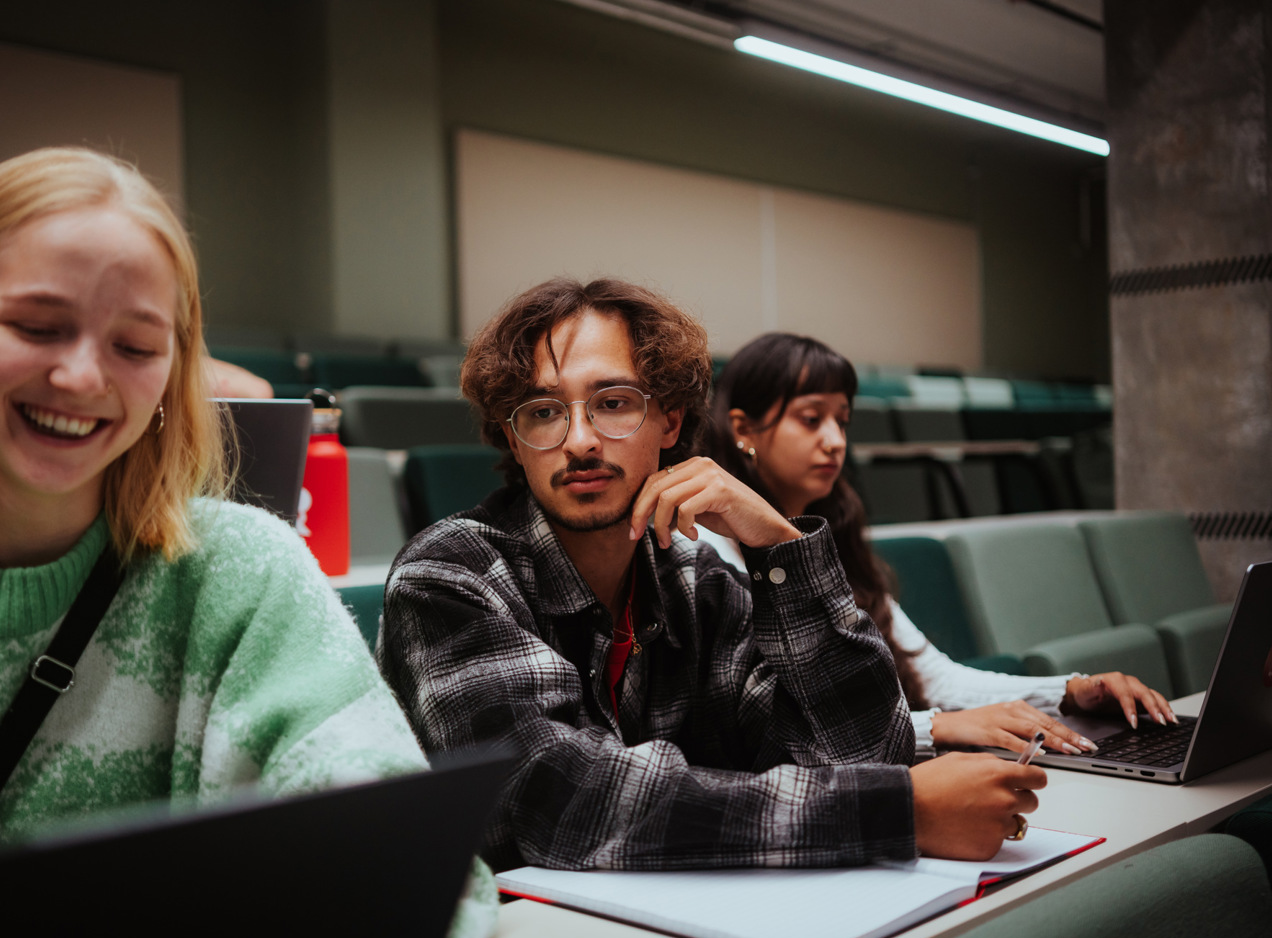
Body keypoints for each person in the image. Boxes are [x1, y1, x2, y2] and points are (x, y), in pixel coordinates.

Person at [0, 148, 492, 938]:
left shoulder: (247, 571)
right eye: (37, 327)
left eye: (136, 347)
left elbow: (400, 864)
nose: (80, 376)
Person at [378, 277, 1045, 872]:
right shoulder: (450, 576)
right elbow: (566, 807)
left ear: (669, 419)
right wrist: (894, 813)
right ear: (513, 438)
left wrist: (781, 546)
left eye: (612, 403)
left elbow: (860, 751)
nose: (579, 439)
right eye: (544, 412)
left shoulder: (695, 582)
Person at [703, 332, 1175, 760]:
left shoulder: (831, 532)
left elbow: (933, 676)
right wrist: (940, 728)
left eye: (842, 421)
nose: (835, 441)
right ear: (744, 429)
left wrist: (1072, 692)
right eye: (811, 419)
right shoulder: (708, 552)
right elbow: (778, 729)